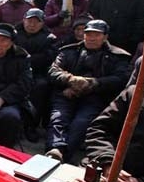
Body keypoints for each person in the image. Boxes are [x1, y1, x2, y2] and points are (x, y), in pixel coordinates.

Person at [46, 20, 131, 164]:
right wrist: (70, 79)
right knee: (58, 118)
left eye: (96, 35)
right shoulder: (68, 51)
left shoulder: (118, 56)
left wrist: (92, 83)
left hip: (95, 98)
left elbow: (119, 79)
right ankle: (55, 149)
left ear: (105, 37)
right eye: (88, 34)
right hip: (67, 93)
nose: (91, 38)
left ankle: (62, 155)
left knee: (81, 123)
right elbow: (53, 71)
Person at [15, 8, 58, 137]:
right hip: (14, 70)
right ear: (24, 20)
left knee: (41, 87)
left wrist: (26, 59)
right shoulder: (14, 34)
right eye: (29, 21)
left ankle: (31, 126)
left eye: (36, 22)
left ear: (42, 23)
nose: (32, 25)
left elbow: (48, 58)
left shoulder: (50, 38)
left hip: (37, 73)